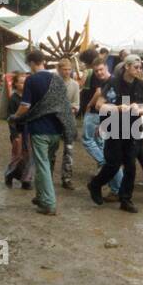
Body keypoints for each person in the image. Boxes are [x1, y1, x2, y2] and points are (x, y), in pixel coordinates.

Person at [15, 49, 76, 216]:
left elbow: (25, 106)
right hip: (56, 130)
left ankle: (49, 204)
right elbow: (63, 106)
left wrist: (15, 116)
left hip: (39, 130)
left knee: (42, 166)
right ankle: (41, 197)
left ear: (33, 63)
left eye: (29, 64)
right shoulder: (57, 79)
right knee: (46, 164)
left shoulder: (31, 80)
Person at [88, 54, 143, 214]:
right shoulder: (114, 82)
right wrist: (118, 108)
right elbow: (100, 105)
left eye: (140, 67)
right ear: (126, 67)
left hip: (134, 128)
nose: (139, 70)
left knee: (131, 166)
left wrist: (141, 109)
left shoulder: (141, 84)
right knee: (113, 164)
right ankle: (95, 184)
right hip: (114, 126)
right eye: (136, 67)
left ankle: (125, 199)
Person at [81, 61, 121, 199]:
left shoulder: (114, 81)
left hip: (117, 124)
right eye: (96, 71)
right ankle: (116, 189)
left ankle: (118, 189)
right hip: (109, 122)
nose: (99, 73)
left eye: (101, 70)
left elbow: (117, 104)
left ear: (107, 68)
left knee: (112, 160)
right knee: (112, 158)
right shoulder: (105, 82)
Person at [57, 58, 81, 189]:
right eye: (64, 69)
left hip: (69, 120)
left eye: (69, 69)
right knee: (52, 149)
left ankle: (66, 178)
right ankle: (47, 175)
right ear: (59, 69)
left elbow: (76, 104)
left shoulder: (75, 85)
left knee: (69, 150)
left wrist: (67, 108)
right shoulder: (53, 83)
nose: (67, 72)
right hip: (54, 121)